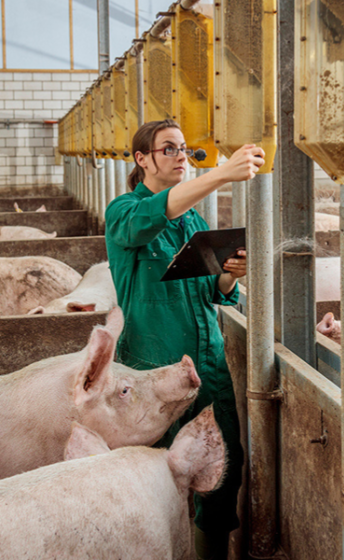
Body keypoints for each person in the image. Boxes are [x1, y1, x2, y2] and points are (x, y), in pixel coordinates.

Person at [104, 119, 265, 560]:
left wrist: (230, 278)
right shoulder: (123, 212)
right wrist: (221, 174)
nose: (181, 157)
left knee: (222, 471)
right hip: (151, 373)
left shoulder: (193, 219)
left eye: (184, 149)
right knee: (156, 474)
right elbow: (153, 217)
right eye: (169, 149)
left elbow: (210, 292)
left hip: (206, 367)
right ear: (142, 159)